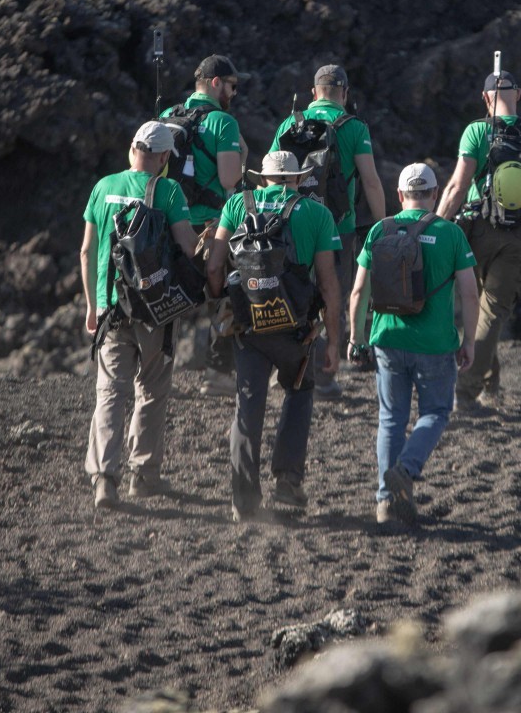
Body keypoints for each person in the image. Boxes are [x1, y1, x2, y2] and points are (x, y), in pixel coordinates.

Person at [205, 150, 343, 522]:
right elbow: (329, 284)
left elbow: (216, 265)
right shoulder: (317, 213)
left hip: (249, 326)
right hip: (296, 330)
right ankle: (287, 480)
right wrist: (334, 339)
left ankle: (245, 502)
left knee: (247, 408)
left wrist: (221, 305)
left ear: (262, 177)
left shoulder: (237, 205)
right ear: (297, 178)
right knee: (299, 391)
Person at [348, 163, 478, 526]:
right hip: (435, 343)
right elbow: (469, 292)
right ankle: (406, 469)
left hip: (387, 339)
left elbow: (359, 291)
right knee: (435, 413)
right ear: (434, 195)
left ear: (400, 195)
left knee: (390, 418)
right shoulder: (450, 233)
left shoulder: (379, 230)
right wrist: (469, 340)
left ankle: (386, 503)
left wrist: (356, 338)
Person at [80, 121, 197, 510]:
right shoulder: (167, 190)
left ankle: (104, 479)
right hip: (154, 310)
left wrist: (91, 305)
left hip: (111, 308)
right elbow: (186, 247)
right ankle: (143, 476)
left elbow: (86, 251)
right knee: (151, 391)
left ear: (132, 148)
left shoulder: (102, 188)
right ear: (164, 158)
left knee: (110, 392)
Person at [435, 62, 521, 412]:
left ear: (485, 99)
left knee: (478, 309)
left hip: (475, 232)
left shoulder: (476, 132)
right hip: (519, 236)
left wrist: (436, 226)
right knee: (493, 312)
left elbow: (458, 186)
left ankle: (483, 384)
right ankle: (468, 390)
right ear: (518, 95)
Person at [270, 63, 387, 399]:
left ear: (313, 92)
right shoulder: (355, 128)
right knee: (330, 294)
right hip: (339, 226)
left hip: (291, 223)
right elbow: (371, 181)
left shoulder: (290, 124)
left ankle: (287, 366)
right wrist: (383, 227)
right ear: (345, 94)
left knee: (290, 289)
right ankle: (323, 376)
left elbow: (271, 174)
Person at [159, 54, 247, 394]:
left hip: (169, 222)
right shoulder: (224, 123)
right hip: (211, 227)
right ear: (215, 83)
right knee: (225, 292)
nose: (233, 93)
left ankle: (158, 373)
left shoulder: (167, 115)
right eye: (231, 86)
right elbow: (229, 179)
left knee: (166, 297)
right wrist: (242, 153)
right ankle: (218, 374)